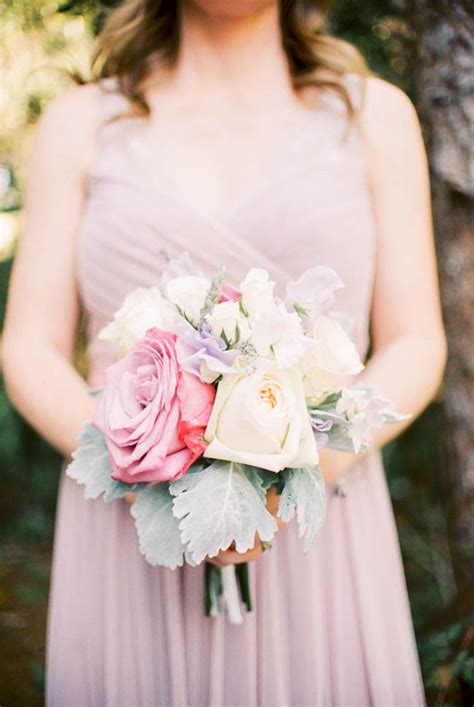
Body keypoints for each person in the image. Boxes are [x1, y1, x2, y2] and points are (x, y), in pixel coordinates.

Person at [2, 0, 447, 704]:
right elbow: (28, 345)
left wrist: (285, 476)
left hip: (314, 524)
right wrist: (157, 472)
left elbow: (417, 342)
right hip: (130, 534)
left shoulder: (374, 117)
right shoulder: (80, 123)